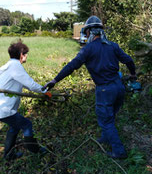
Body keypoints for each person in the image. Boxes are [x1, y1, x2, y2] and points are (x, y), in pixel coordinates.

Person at [43, 16, 137, 159]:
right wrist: (133, 74)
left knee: (106, 120)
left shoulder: (88, 50)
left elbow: (71, 66)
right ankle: (106, 137)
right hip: (119, 87)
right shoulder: (113, 46)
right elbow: (129, 60)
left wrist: (55, 80)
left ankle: (119, 151)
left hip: (105, 90)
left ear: (88, 32)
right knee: (110, 116)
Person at [0, 40, 47, 160]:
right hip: (2, 109)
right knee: (27, 125)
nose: (26, 57)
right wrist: (45, 92)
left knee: (15, 127)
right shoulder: (15, 66)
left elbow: (24, 83)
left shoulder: (10, 66)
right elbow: (30, 84)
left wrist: (40, 89)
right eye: (26, 54)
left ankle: (8, 155)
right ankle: (36, 151)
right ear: (21, 55)